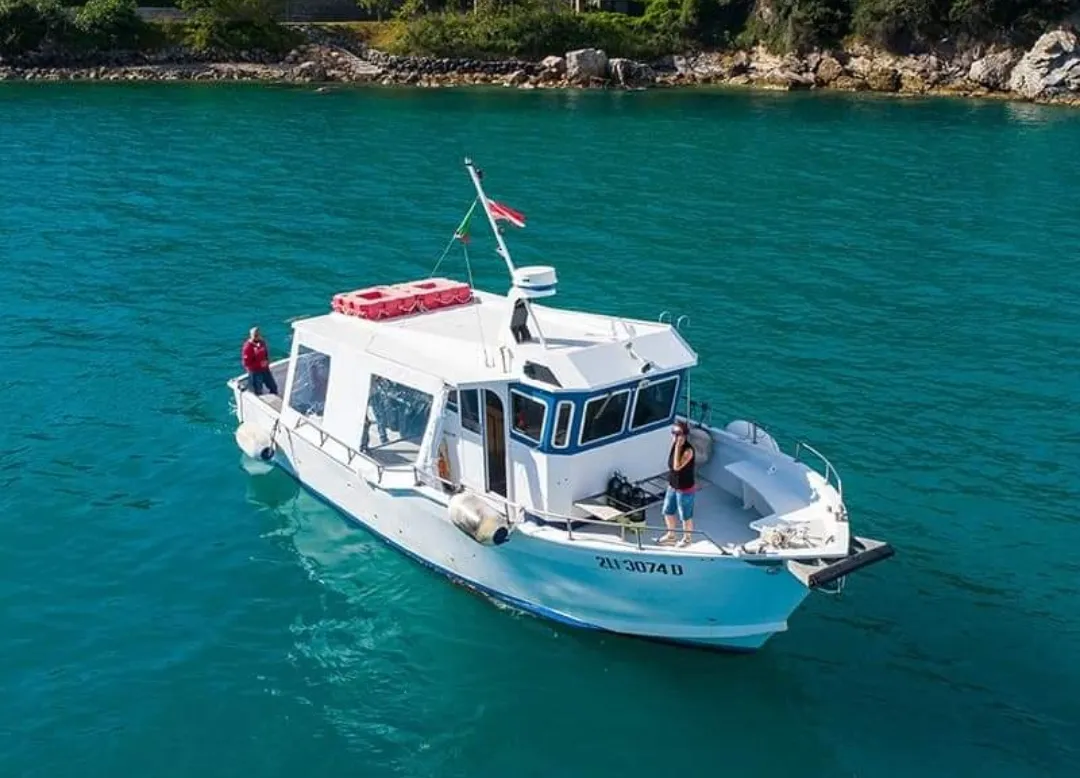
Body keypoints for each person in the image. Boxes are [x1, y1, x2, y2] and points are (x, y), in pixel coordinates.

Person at [659, 420, 696, 546]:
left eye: (677, 433)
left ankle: (687, 538)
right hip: (673, 486)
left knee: (685, 515)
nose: (674, 436)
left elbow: (676, 467)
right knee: (667, 511)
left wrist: (678, 447)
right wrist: (675, 446)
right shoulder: (674, 445)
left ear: (684, 435)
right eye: (673, 433)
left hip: (685, 488)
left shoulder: (688, 451)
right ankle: (671, 535)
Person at [242, 326, 278, 396]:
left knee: (273, 386)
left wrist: (267, 360)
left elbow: (265, 353)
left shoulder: (262, 342)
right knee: (258, 390)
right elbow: (246, 363)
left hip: (265, 369)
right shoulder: (247, 347)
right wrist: (259, 365)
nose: (257, 337)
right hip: (255, 372)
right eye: (255, 335)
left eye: (258, 335)